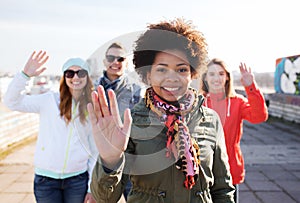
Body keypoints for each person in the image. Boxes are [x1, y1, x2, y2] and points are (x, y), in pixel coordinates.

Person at [88, 18, 235, 203]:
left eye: (181, 70)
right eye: (162, 70)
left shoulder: (210, 119)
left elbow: (223, 189)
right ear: (148, 75)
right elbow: (105, 198)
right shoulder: (133, 122)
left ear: (192, 74)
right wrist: (110, 161)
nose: (172, 78)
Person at [4, 51, 98, 203]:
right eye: (70, 73)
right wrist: (24, 76)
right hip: (46, 181)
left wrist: (91, 187)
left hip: (77, 180)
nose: (75, 77)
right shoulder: (48, 100)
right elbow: (11, 102)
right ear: (64, 77)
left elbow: (95, 150)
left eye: (81, 73)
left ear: (87, 77)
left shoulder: (92, 107)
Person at [200, 58, 268, 202]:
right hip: (202, 169)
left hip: (230, 167)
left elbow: (259, 116)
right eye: (211, 74)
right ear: (205, 77)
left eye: (220, 74)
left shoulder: (237, 102)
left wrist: (251, 87)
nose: (216, 78)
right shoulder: (198, 102)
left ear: (227, 77)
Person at [95, 42, 142, 200]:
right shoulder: (92, 90)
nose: (115, 62)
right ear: (104, 61)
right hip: (100, 160)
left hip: (130, 161)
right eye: (110, 57)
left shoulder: (136, 91)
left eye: (120, 59)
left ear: (126, 63)